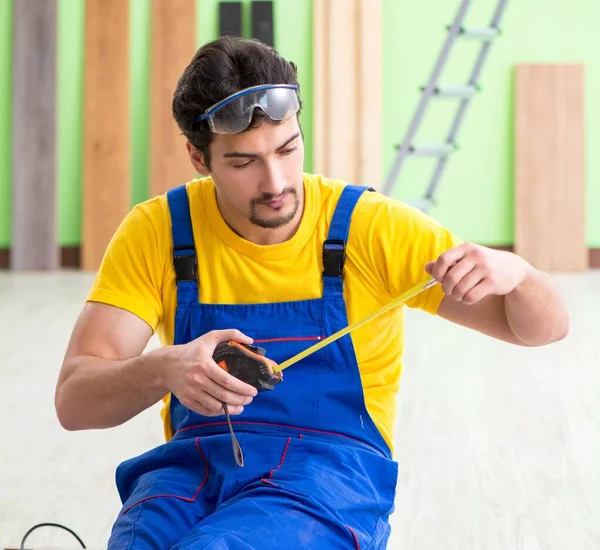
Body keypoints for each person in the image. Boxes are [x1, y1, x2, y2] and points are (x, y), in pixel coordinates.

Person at [54, 35, 569, 549]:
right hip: (190, 474)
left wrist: (519, 275)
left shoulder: (367, 228)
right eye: (243, 162)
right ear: (197, 156)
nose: (276, 181)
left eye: (287, 148)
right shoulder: (159, 231)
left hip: (326, 476)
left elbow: (544, 329)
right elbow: (75, 402)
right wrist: (163, 368)